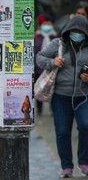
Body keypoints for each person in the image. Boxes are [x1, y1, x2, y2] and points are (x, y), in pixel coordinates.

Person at [36, 14, 88, 178]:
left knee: (86, 126)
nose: (77, 34)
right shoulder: (58, 44)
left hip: (84, 96)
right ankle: (66, 166)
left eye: (80, 31)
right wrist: (53, 63)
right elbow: (40, 57)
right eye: (73, 31)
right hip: (61, 97)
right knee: (62, 131)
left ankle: (84, 162)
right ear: (67, 31)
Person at [34, 15, 58, 115]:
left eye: (49, 23)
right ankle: (39, 109)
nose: (47, 25)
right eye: (45, 24)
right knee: (40, 86)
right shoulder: (36, 36)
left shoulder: (57, 37)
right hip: (39, 67)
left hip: (54, 67)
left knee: (53, 88)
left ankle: (54, 109)